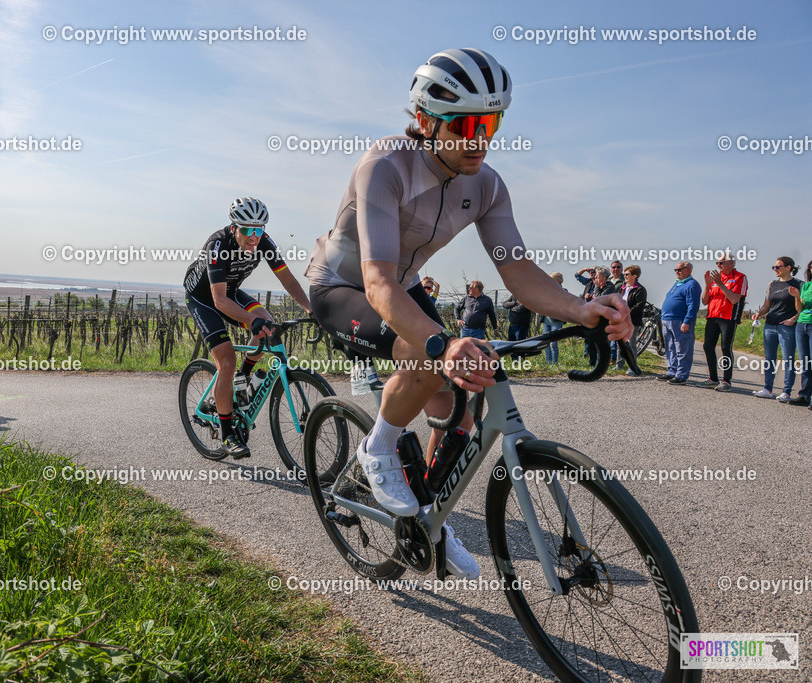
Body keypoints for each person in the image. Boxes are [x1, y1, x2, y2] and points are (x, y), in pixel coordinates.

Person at [305, 47, 632, 580]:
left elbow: (519, 272)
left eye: (493, 122)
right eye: (468, 123)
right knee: (426, 351)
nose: (481, 138)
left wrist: (584, 307)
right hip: (343, 286)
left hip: (403, 287)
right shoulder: (384, 166)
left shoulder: (487, 184)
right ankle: (378, 446)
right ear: (424, 121)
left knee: (460, 405)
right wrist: (444, 343)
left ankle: (428, 518)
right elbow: (379, 282)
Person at [184, 197, 313, 458]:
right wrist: (252, 321)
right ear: (235, 228)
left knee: (267, 322)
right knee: (226, 361)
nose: (254, 237)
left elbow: (287, 279)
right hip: (204, 298)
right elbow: (218, 300)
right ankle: (227, 434)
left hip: (229, 291)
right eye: (248, 230)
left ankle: (242, 377)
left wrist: (311, 309)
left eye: (259, 229)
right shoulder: (218, 245)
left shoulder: (263, 242)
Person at [752, 257, 802, 401]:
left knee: (788, 359)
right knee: (770, 358)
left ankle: (786, 392)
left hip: (787, 326)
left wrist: (793, 319)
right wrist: (759, 313)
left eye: (778, 267)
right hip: (770, 325)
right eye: (773, 267)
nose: (775, 269)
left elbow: (802, 307)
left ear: (788, 268)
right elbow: (767, 305)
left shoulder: (798, 284)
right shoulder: (772, 284)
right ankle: (768, 389)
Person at [700, 253, 747, 391]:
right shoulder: (714, 279)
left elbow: (734, 299)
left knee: (726, 348)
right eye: (717, 263)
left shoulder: (740, 277)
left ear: (731, 263)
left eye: (721, 263)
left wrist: (720, 284)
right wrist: (707, 285)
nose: (718, 265)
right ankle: (713, 378)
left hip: (728, 318)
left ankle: (726, 381)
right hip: (713, 316)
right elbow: (704, 301)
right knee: (708, 346)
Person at [658, 262, 702, 385]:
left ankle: (681, 375)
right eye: (675, 270)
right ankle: (672, 371)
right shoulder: (677, 284)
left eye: (679, 270)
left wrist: (687, 321)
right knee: (670, 347)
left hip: (680, 321)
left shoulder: (692, 285)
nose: (677, 272)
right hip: (667, 320)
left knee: (682, 348)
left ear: (688, 270)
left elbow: (693, 305)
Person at [788, 259, 812, 408]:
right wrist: (797, 297)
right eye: (811, 267)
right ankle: (804, 395)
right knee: (806, 363)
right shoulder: (806, 286)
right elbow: (800, 309)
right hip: (802, 324)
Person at [583, 267, 616, 365]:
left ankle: (601, 364)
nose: (596, 277)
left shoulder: (609, 286)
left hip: (603, 318)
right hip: (593, 316)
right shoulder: (596, 285)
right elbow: (592, 302)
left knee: (600, 342)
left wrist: (597, 288)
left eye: (598, 275)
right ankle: (592, 363)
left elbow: (599, 300)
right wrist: (588, 298)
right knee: (591, 341)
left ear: (604, 276)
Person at [619, 265, 647, 375]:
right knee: (619, 343)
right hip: (621, 320)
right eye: (624, 274)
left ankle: (633, 367)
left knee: (631, 343)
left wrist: (626, 312)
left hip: (632, 321)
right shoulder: (623, 287)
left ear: (634, 276)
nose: (624, 276)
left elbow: (639, 305)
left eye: (626, 274)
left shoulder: (640, 289)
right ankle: (619, 364)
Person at [539, 273, 567, 364]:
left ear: (557, 280)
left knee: (553, 343)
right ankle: (548, 362)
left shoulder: (563, 291)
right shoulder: (547, 290)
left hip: (557, 321)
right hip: (547, 320)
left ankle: (555, 362)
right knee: (546, 342)